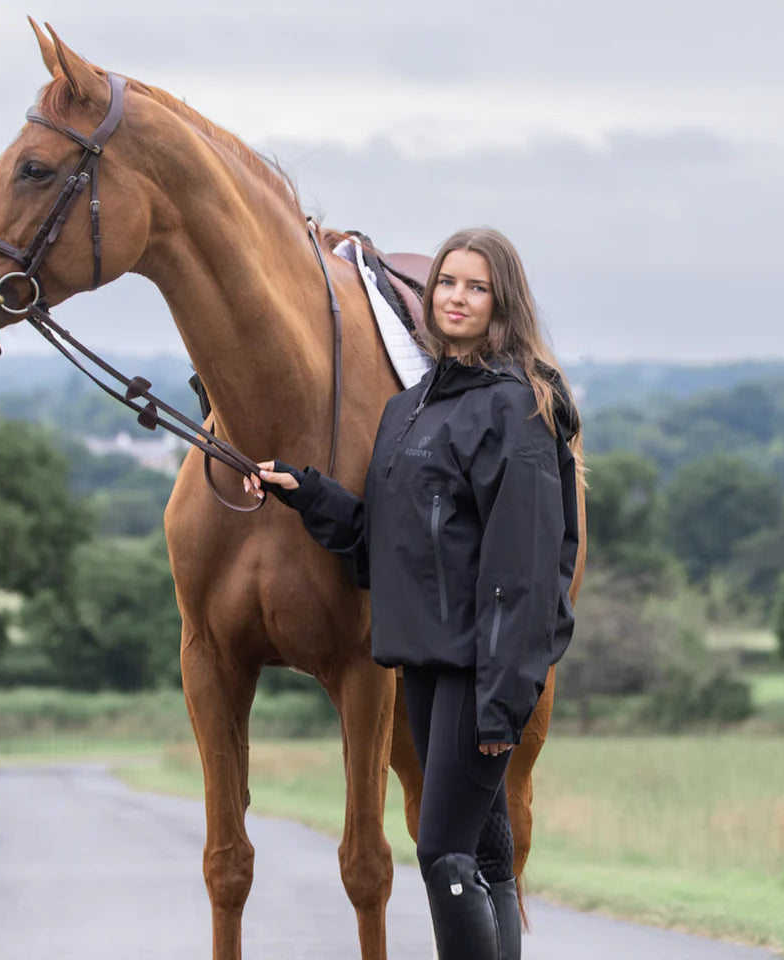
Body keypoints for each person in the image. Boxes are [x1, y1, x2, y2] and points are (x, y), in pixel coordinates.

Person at [244, 227, 580, 960]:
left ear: (503, 302)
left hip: (479, 669)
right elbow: (388, 548)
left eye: (476, 287)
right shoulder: (411, 409)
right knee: (482, 852)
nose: (456, 298)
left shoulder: (516, 408)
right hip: (423, 661)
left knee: (441, 853)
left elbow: (526, 569)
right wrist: (307, 493)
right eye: (447, 283)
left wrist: (503, 698)